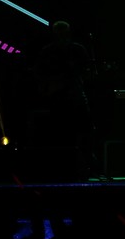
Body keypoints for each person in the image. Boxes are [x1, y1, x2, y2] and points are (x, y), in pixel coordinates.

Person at [31, 20, 97, 177]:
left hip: (68, 96)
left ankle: (78, 165)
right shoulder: (69, 50)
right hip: (63, 97)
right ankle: (77, 165)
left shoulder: (59, 50)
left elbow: (87, 72)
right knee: (67, 132)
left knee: (74, 131)